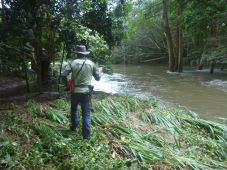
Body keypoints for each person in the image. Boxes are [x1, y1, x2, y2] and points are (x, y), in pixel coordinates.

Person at [62, 45, 102, 140]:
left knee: (74, 109)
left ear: (77, 53)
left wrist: (67, 83)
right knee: (86, 113)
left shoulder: (72, 63)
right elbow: (97, 78)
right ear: (85, 54)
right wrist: (100, 71)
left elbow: (63, 74)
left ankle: (74, 127)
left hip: (75, 91)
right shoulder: (91, 64)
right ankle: (86, 137)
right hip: (86, 92)